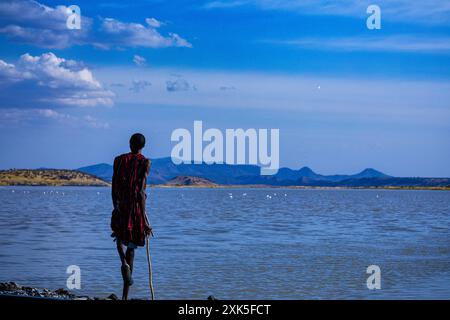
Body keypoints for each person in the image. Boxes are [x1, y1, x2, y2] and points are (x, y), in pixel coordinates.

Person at [111, 133, 153, 300]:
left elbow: (113, 186)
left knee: (118, 238)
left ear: (130, 144)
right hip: (135, 209)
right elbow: (141, 192)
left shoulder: (118, 160)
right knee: (132, 248)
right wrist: (143, 219)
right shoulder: (145, 162)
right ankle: (124, 297)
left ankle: (123, 262)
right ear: (143, 146)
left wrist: (116, 206)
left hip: (121, 205)